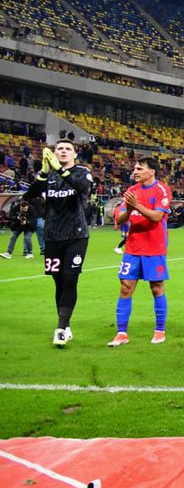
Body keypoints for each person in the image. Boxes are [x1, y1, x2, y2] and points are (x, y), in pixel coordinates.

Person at [24, 142, 92, 347]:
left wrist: (61, 170)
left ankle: (60, 328)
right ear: (53, 154)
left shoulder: (82, 172)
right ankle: (66, 324)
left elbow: (83, 188)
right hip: (52, 236)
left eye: (68, 149)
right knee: (58, 281)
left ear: (75, 154)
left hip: (76, 235)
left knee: (70, 278)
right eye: (59, 149)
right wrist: (45, 172)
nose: (63, 151)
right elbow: (29, 196)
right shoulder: (47, 175)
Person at [109, 156, 171, 347]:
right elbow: (120, 218)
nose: (135, 171)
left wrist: (136, 205)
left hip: (154, 247)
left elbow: (157, 216)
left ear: (151, 171)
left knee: (156, 287)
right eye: (135, 168)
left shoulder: (161, 190)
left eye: (139, 168)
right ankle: (121, 333)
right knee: (125, 287)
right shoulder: (131, 191)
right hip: (133, 248)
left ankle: (159, 331)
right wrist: (129, 209)